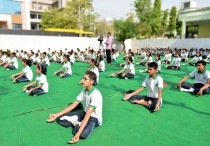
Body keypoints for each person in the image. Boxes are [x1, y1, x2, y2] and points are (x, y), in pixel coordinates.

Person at [46, 71, 103, 144]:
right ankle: (76, 123)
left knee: (83, 134)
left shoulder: (96, 94)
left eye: (85, 79)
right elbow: (73, 105)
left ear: (91, 81)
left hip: (93, 118)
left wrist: (78, 134)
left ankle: (76, 123)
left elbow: (89, 114)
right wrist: (56, 115)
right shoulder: (84, 91)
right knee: (59, 118)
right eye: (82, 78)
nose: (82, 80)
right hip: (84, 113)